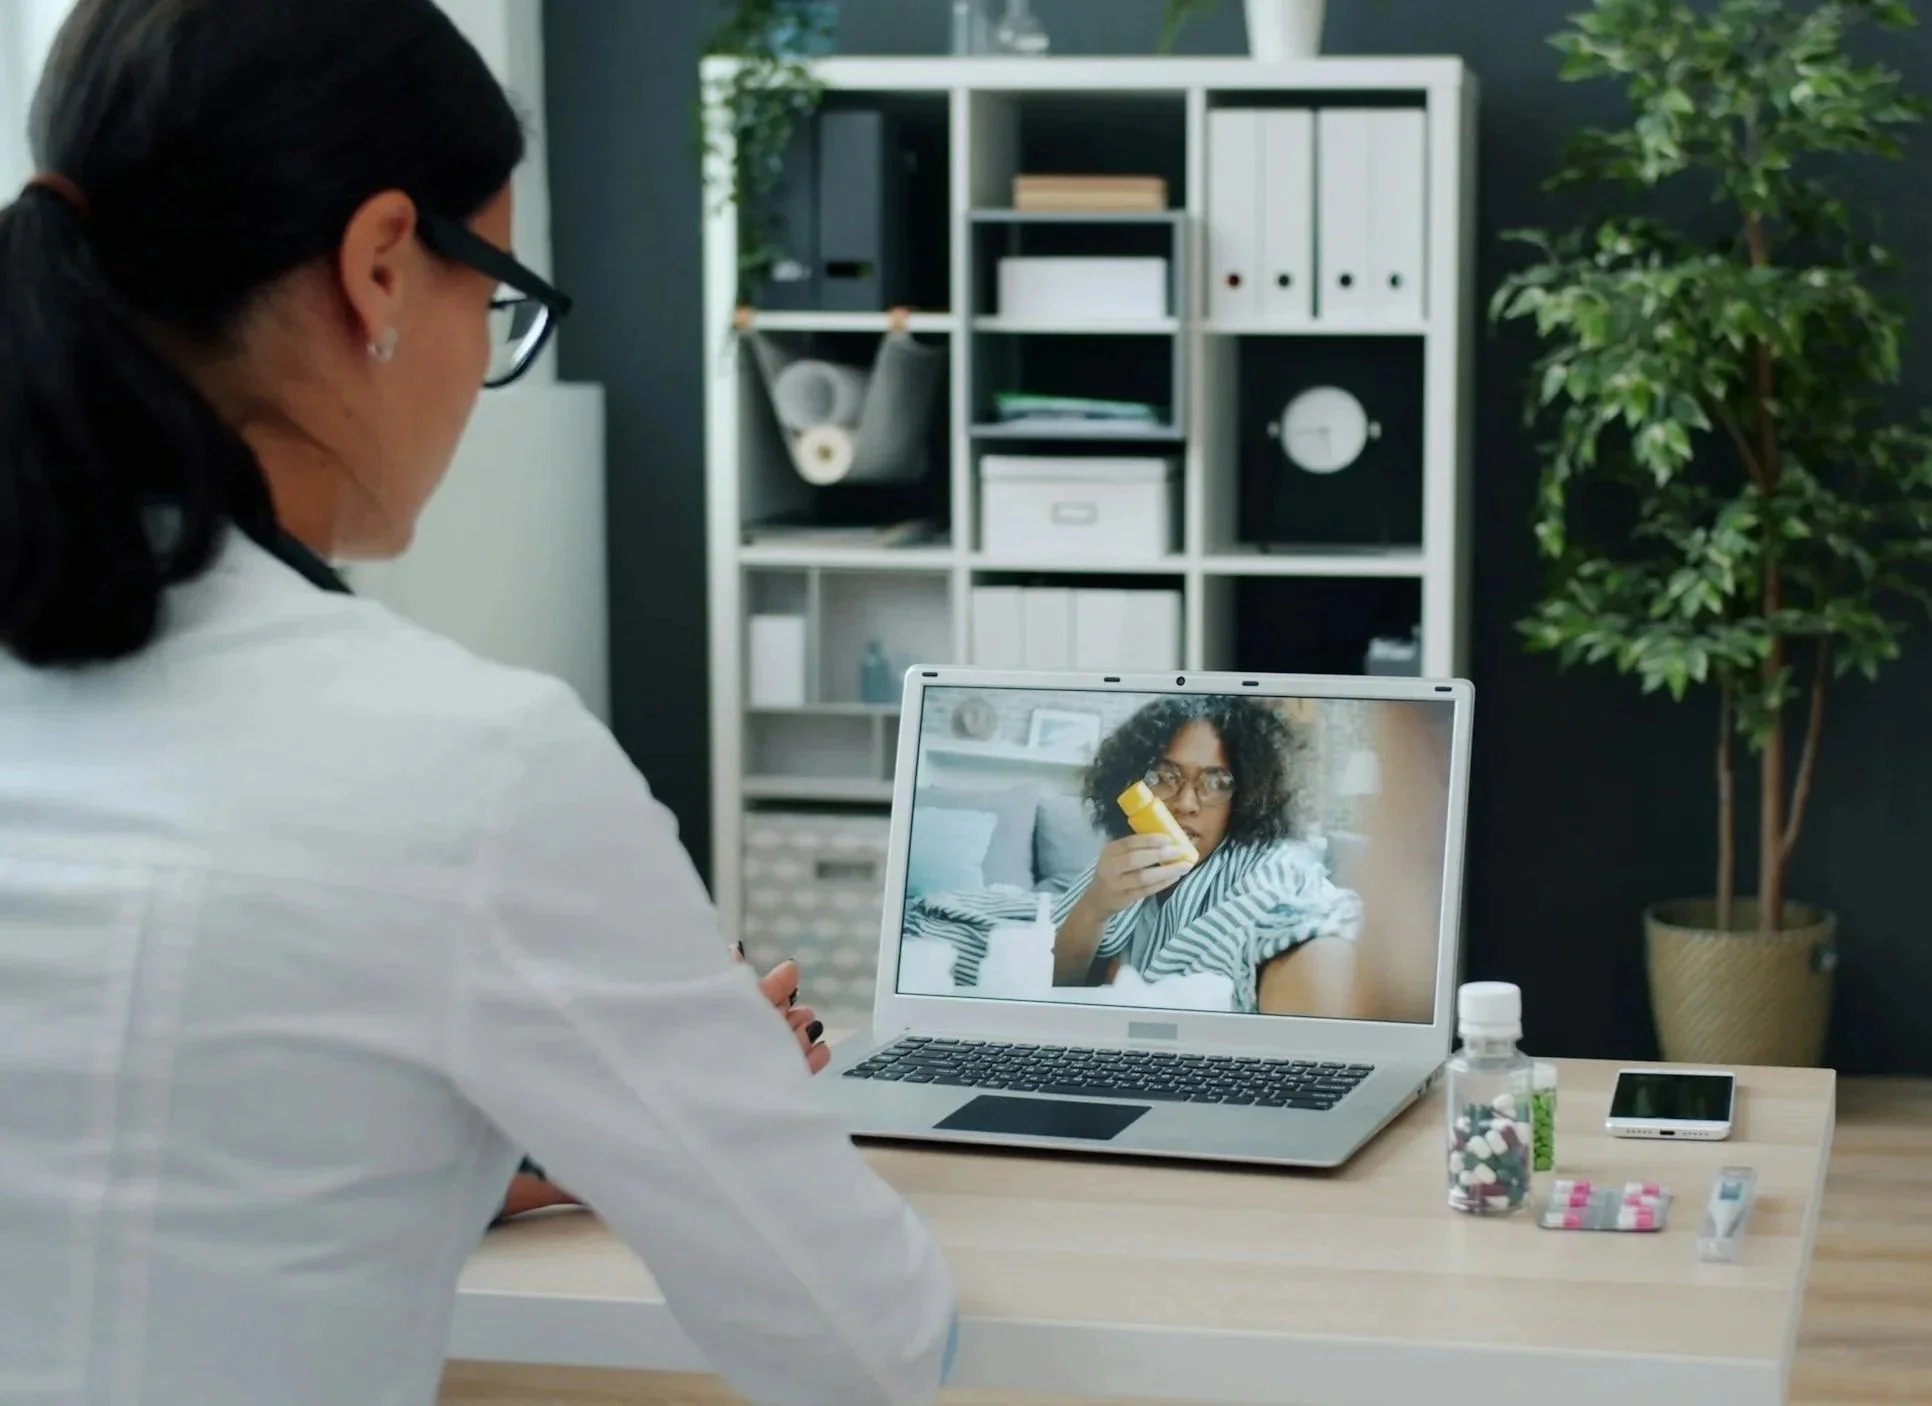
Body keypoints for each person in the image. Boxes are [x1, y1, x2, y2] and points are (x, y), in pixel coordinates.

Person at [0, 3, 953, 1404]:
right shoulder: (471, 766)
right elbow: (871, 1341)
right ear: (383, 264)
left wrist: (465, 1144)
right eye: (495, 293)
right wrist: (694, 1104)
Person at [905, 696, 1362, 1013]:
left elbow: (1292, 925)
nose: (1186, 802)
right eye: (1165, 776)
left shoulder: (1268, 865)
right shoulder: (1114, 862)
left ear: (1248, 795)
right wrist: (1094, 906)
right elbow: (1057, 984)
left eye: (1216, 782)